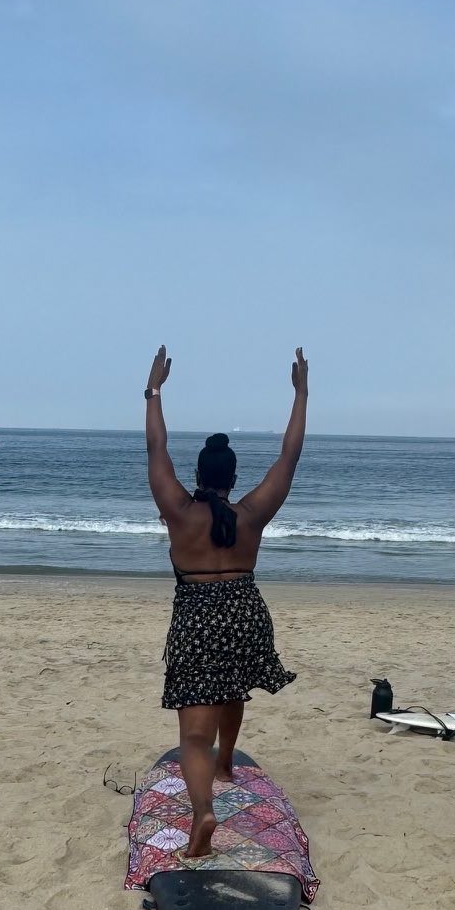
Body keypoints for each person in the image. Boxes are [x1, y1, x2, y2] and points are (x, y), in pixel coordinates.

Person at [145, 344, 306, 857]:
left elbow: (156, 448)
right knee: (234, 685)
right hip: (244, 609)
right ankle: (227, 761)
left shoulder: (177, 509)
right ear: (233, 477)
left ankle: (204, 811)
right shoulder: (252, 512)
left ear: (197, 474)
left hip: (196, 612)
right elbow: (289, 455)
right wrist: (302, 394)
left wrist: (153, 391)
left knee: (193, 734)